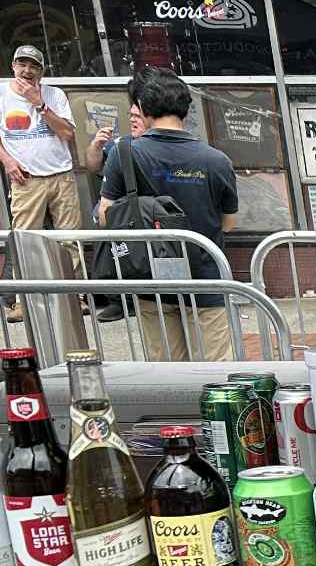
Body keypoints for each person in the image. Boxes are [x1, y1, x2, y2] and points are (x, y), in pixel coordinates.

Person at [92, 68, 241, 362]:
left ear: (144, 108)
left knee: (167, 370)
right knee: (219, 370)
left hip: (152, 279)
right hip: (207, 279)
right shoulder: (217, 160)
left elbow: (106, 217)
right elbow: (229, 223)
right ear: (185, 108)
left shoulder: (125, 153)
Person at [2, 44, 83, 338]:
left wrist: (39, 103)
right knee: (25, 239)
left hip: (61, 174)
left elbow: (68, 133)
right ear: (13, 66)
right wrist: (8, 161)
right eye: (22, 65)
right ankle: (24, 300)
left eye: (33, 66)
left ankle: (75, 296)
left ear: (42, 71)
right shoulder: (2, 94)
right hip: (26, 178)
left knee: (70, 238)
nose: (27, 71)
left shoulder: (54, 95)